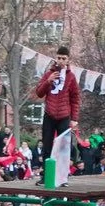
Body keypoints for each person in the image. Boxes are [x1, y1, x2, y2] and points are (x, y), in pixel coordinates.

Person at [32, 46, 80, 174]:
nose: (60, 61)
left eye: (63, 58)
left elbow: (75, 99)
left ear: (68, 60)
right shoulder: (48, 74)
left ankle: (63, 176)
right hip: (49, 114)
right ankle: (47, 175)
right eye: (58, 58)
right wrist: (48, 81)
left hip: (64, 116)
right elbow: (39, 93)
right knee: (47, 146)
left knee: (64, 147)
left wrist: (74, 119)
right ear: (55, 58)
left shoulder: (71, 77)